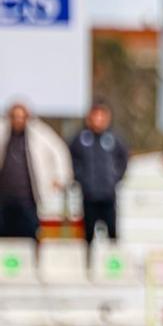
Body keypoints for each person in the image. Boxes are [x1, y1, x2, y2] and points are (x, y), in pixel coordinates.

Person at [0, 102, 71, 259]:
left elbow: (59, 151)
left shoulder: (39, 133)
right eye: (15, 117)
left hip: (28, 199)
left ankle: (32, 266)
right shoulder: (3, 132)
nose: (18, 120)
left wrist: (60, 177)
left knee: (29, 235)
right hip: (4, 199)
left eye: (21, 117)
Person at [69, 101, 129, 270]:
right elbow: (72, 160)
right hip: (88, 195)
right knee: (88, 233)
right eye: (95, 116)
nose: (98, 120)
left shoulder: (114, 139)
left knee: (112, 232)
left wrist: (114, 178)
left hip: (108, 195)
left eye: (102, 117)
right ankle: (87, 267)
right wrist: (81, 178)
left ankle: (113, 266)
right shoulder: (81, 139)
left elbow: (123, 159)